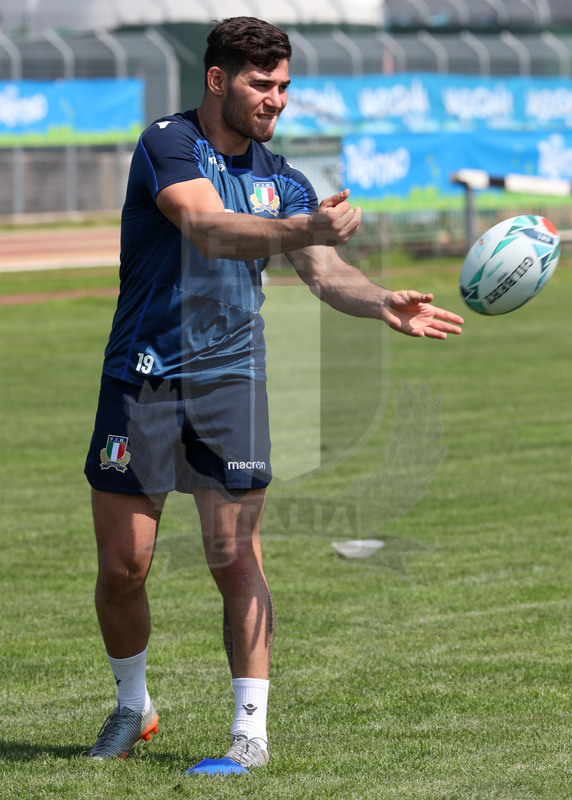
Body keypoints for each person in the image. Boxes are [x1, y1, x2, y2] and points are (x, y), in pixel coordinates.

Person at [83, 16, 464, 772]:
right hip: (141, 378)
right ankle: (133, 706)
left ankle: (249, 735)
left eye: (285, 85)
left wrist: (381, 300)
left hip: (232, 382)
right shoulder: (167, 143)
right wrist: (305, 229)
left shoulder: (285, 179)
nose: (276, 99)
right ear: (217, 79)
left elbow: (327, 275)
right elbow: (209, 227)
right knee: (124, 566)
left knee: (235, 557)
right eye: (262, 84)